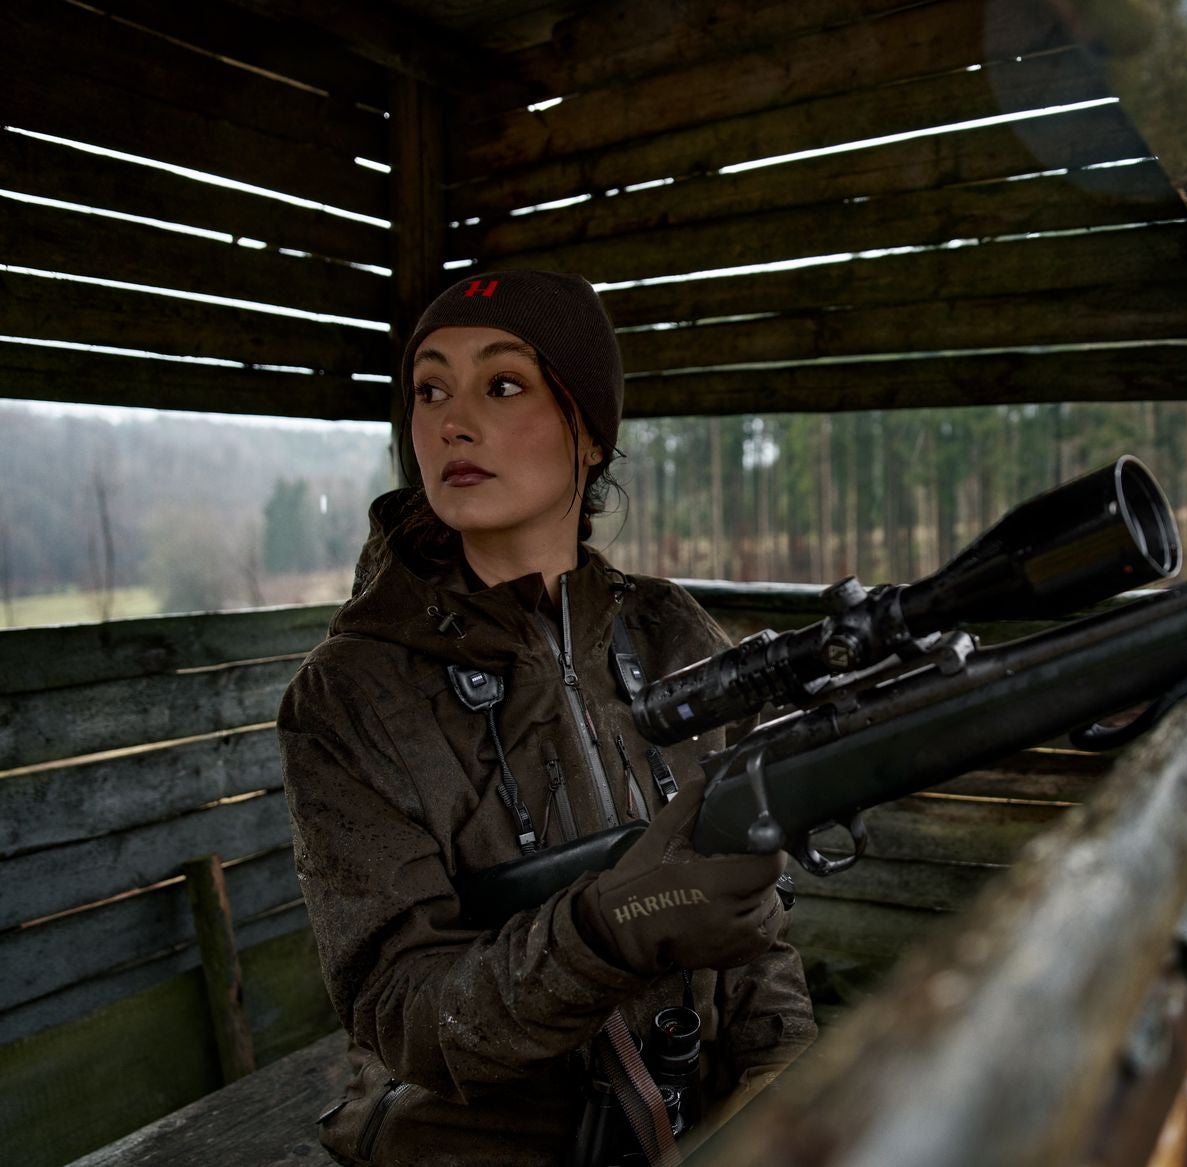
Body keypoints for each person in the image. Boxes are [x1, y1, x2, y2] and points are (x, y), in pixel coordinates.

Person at [278, 270, 817, 1167]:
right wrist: (605, 930)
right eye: (429, 390)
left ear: (590, 433)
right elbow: (404, 1009)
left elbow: (754, 918)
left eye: (502, 384)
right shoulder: (347, 695)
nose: (452, 422)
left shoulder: (671, 629)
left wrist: (784, 1067)